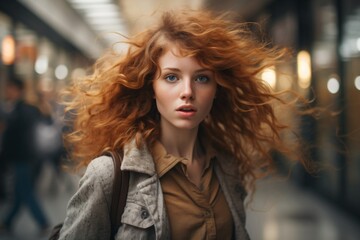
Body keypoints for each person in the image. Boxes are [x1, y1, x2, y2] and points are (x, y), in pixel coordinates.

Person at [57, 9, 310, 239]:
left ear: (216, 89)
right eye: (171, 77)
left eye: (201, 78)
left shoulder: (226, 166)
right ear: (151, 88)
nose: (187, 91)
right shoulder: (109, 176)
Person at [0, 77, 50, 235]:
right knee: (19, 192)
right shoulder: (22, 109)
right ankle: (7, 221)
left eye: (10, 88)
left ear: (18, 90)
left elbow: (16, 136)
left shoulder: (21, 110)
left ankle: (43, 222)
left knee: (25, 191)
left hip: (23, 158)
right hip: (26, 157)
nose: (7, 91)